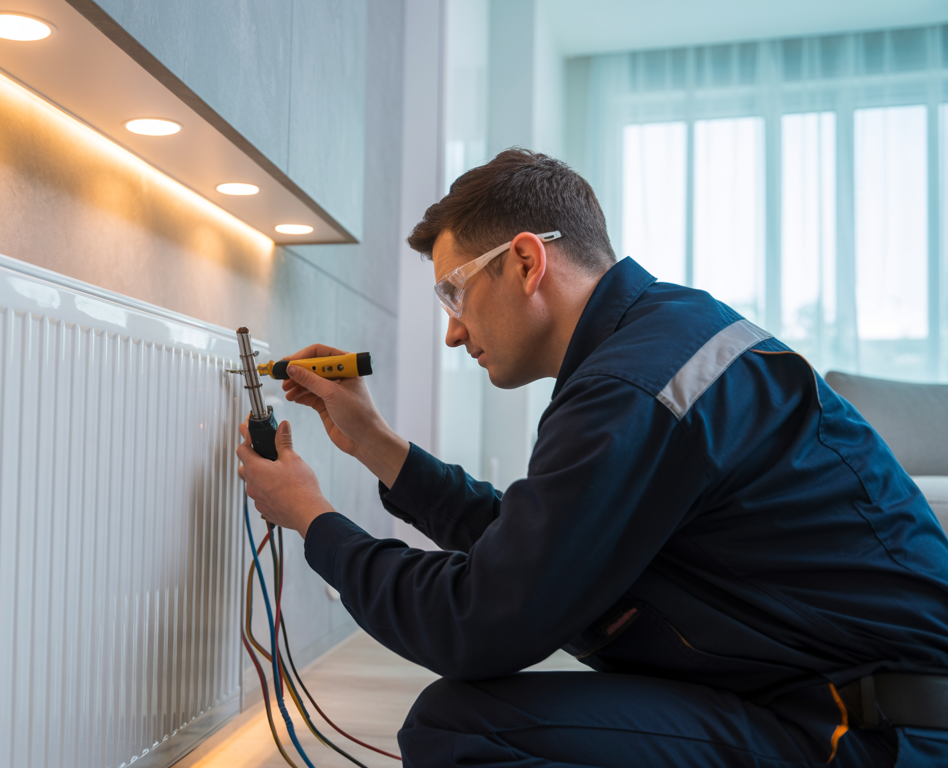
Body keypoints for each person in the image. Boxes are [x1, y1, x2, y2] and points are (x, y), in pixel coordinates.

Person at [235, 149, 948, 767]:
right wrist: (375, 444)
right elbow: (533, 552)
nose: (453, 332)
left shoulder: (632, 389)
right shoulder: (658, 342)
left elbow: (476, 622)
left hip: (875, 736)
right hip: (839, 700)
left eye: (454, 294)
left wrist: (312, 519)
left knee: (464, 731)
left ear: (524, 261)